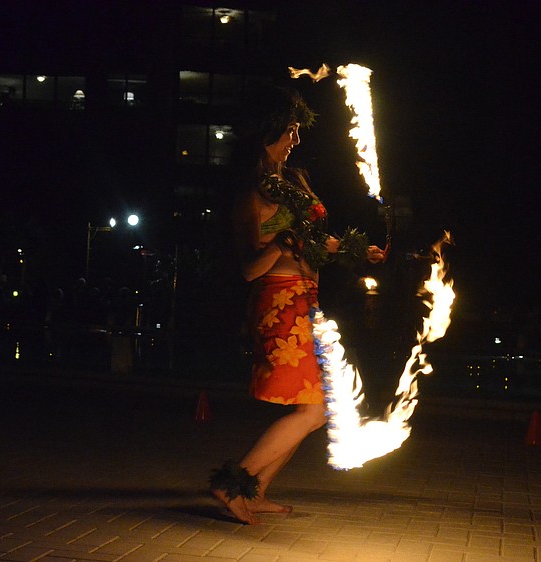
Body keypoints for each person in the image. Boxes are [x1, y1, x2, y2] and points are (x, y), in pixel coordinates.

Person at [209, 86, 385, 525]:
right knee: (315, 408)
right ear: (268, 133)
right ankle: (233, 483)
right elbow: (251, 269)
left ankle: (254, 491)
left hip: (307, 300)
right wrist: (282, 243)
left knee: (316, 408)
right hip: (278, 301)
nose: (296, 139)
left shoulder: (295, 182)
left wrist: (353, 250)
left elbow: (314, 243)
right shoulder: (252, 195)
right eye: (290, 130)